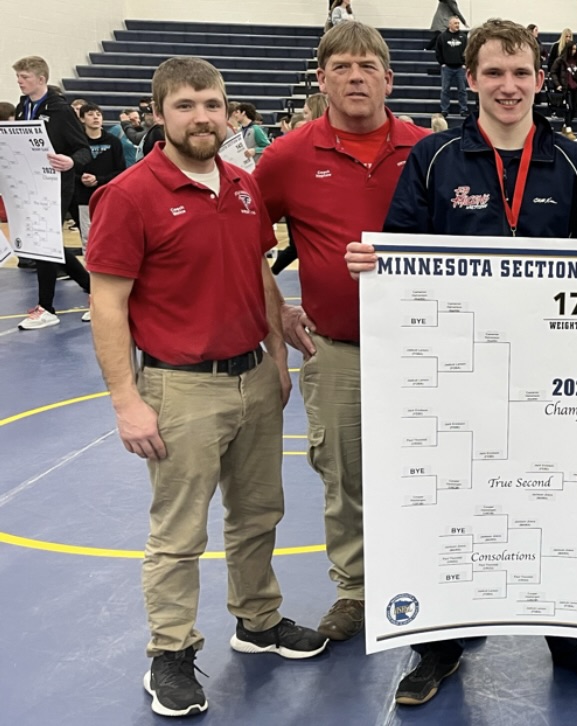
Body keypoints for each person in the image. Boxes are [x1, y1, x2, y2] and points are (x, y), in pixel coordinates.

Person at [343, 18, 577, 706]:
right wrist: (374, 262)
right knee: (451, 502)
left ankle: (572, 640)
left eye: (521, 72)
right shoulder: (435, 158)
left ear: (539, 79)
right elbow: (400, 249)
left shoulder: (575, 162)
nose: (509, 86)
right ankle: (439, 645)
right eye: (495, 73)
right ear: (471, 77)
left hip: (552, 376)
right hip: (456, 375)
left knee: (560, 499)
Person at [84, 56, 328, 719]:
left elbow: (257, 271)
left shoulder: (242, 185)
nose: (202, 117)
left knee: (259, 513)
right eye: (186, 105)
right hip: (180, 388)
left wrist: (276, 352)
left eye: (213, 105)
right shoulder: (129, 195)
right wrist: (126, 402)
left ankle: (258, 620)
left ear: (228, 112)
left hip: (253, 377)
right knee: (179, 532)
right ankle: (170, 650)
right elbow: (107, 305)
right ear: (159, 113)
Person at [255, 22, 430, 644]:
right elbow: (242, 237)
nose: (356, 78)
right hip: (338, 349)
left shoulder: (430, 150)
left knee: (435, 469)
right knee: (344, 474)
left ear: (389, 78)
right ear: (322, 79)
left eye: (367, 66)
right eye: (342, 67)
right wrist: (278, 309)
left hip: (427, 350)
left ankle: (438, 581)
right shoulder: (287, 156)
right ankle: (355, 589)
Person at [11, 55, 92, 330]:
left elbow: (83, 149)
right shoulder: (22, 107)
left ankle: (46, 307)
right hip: (29, 184)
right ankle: (95, 290)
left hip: (56, 184)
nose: (19, 81)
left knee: (43, 242)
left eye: (24, 77)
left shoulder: (61, 110)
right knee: (49, 244)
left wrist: (71, 162)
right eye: (18, 77)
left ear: (41, 79)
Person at [74, 102, 127, 256]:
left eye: (98, 114)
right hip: (84, 197)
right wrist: (81, 179)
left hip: (107, 195)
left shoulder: (113, 142)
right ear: (82, 119)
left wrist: (99, 179)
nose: (95, 117)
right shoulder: (77, 143)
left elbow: (121, 171)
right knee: (88, 237)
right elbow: (69, 169)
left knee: (110, 235)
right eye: (90, 114)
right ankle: (89, 268)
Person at [435, 16, 469, 115]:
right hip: (447, 68)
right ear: (449, 24)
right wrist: (442, 63)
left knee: (462, 90)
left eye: (458, 23)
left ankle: (463, 109)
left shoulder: (463, 37)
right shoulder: (442, 37)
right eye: (455, 23)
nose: (457, 25)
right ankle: (444, 110)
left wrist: (465, 63)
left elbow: (468, 51)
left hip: (460, 68)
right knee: (445, 90)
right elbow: (438, 51)